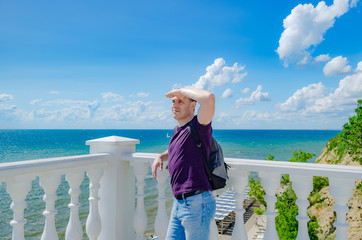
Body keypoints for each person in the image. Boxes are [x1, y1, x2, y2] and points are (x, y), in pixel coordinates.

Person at [151, 88, 216, 240]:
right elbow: (177, 151)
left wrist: (180, 90)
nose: (175, 104)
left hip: (196, 202)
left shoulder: (200, 126)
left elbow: (209, 98)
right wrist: (160, 156)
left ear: (193, 105)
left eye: (181, 101)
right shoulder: (178, 130)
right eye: (173, 101)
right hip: (179, 202)